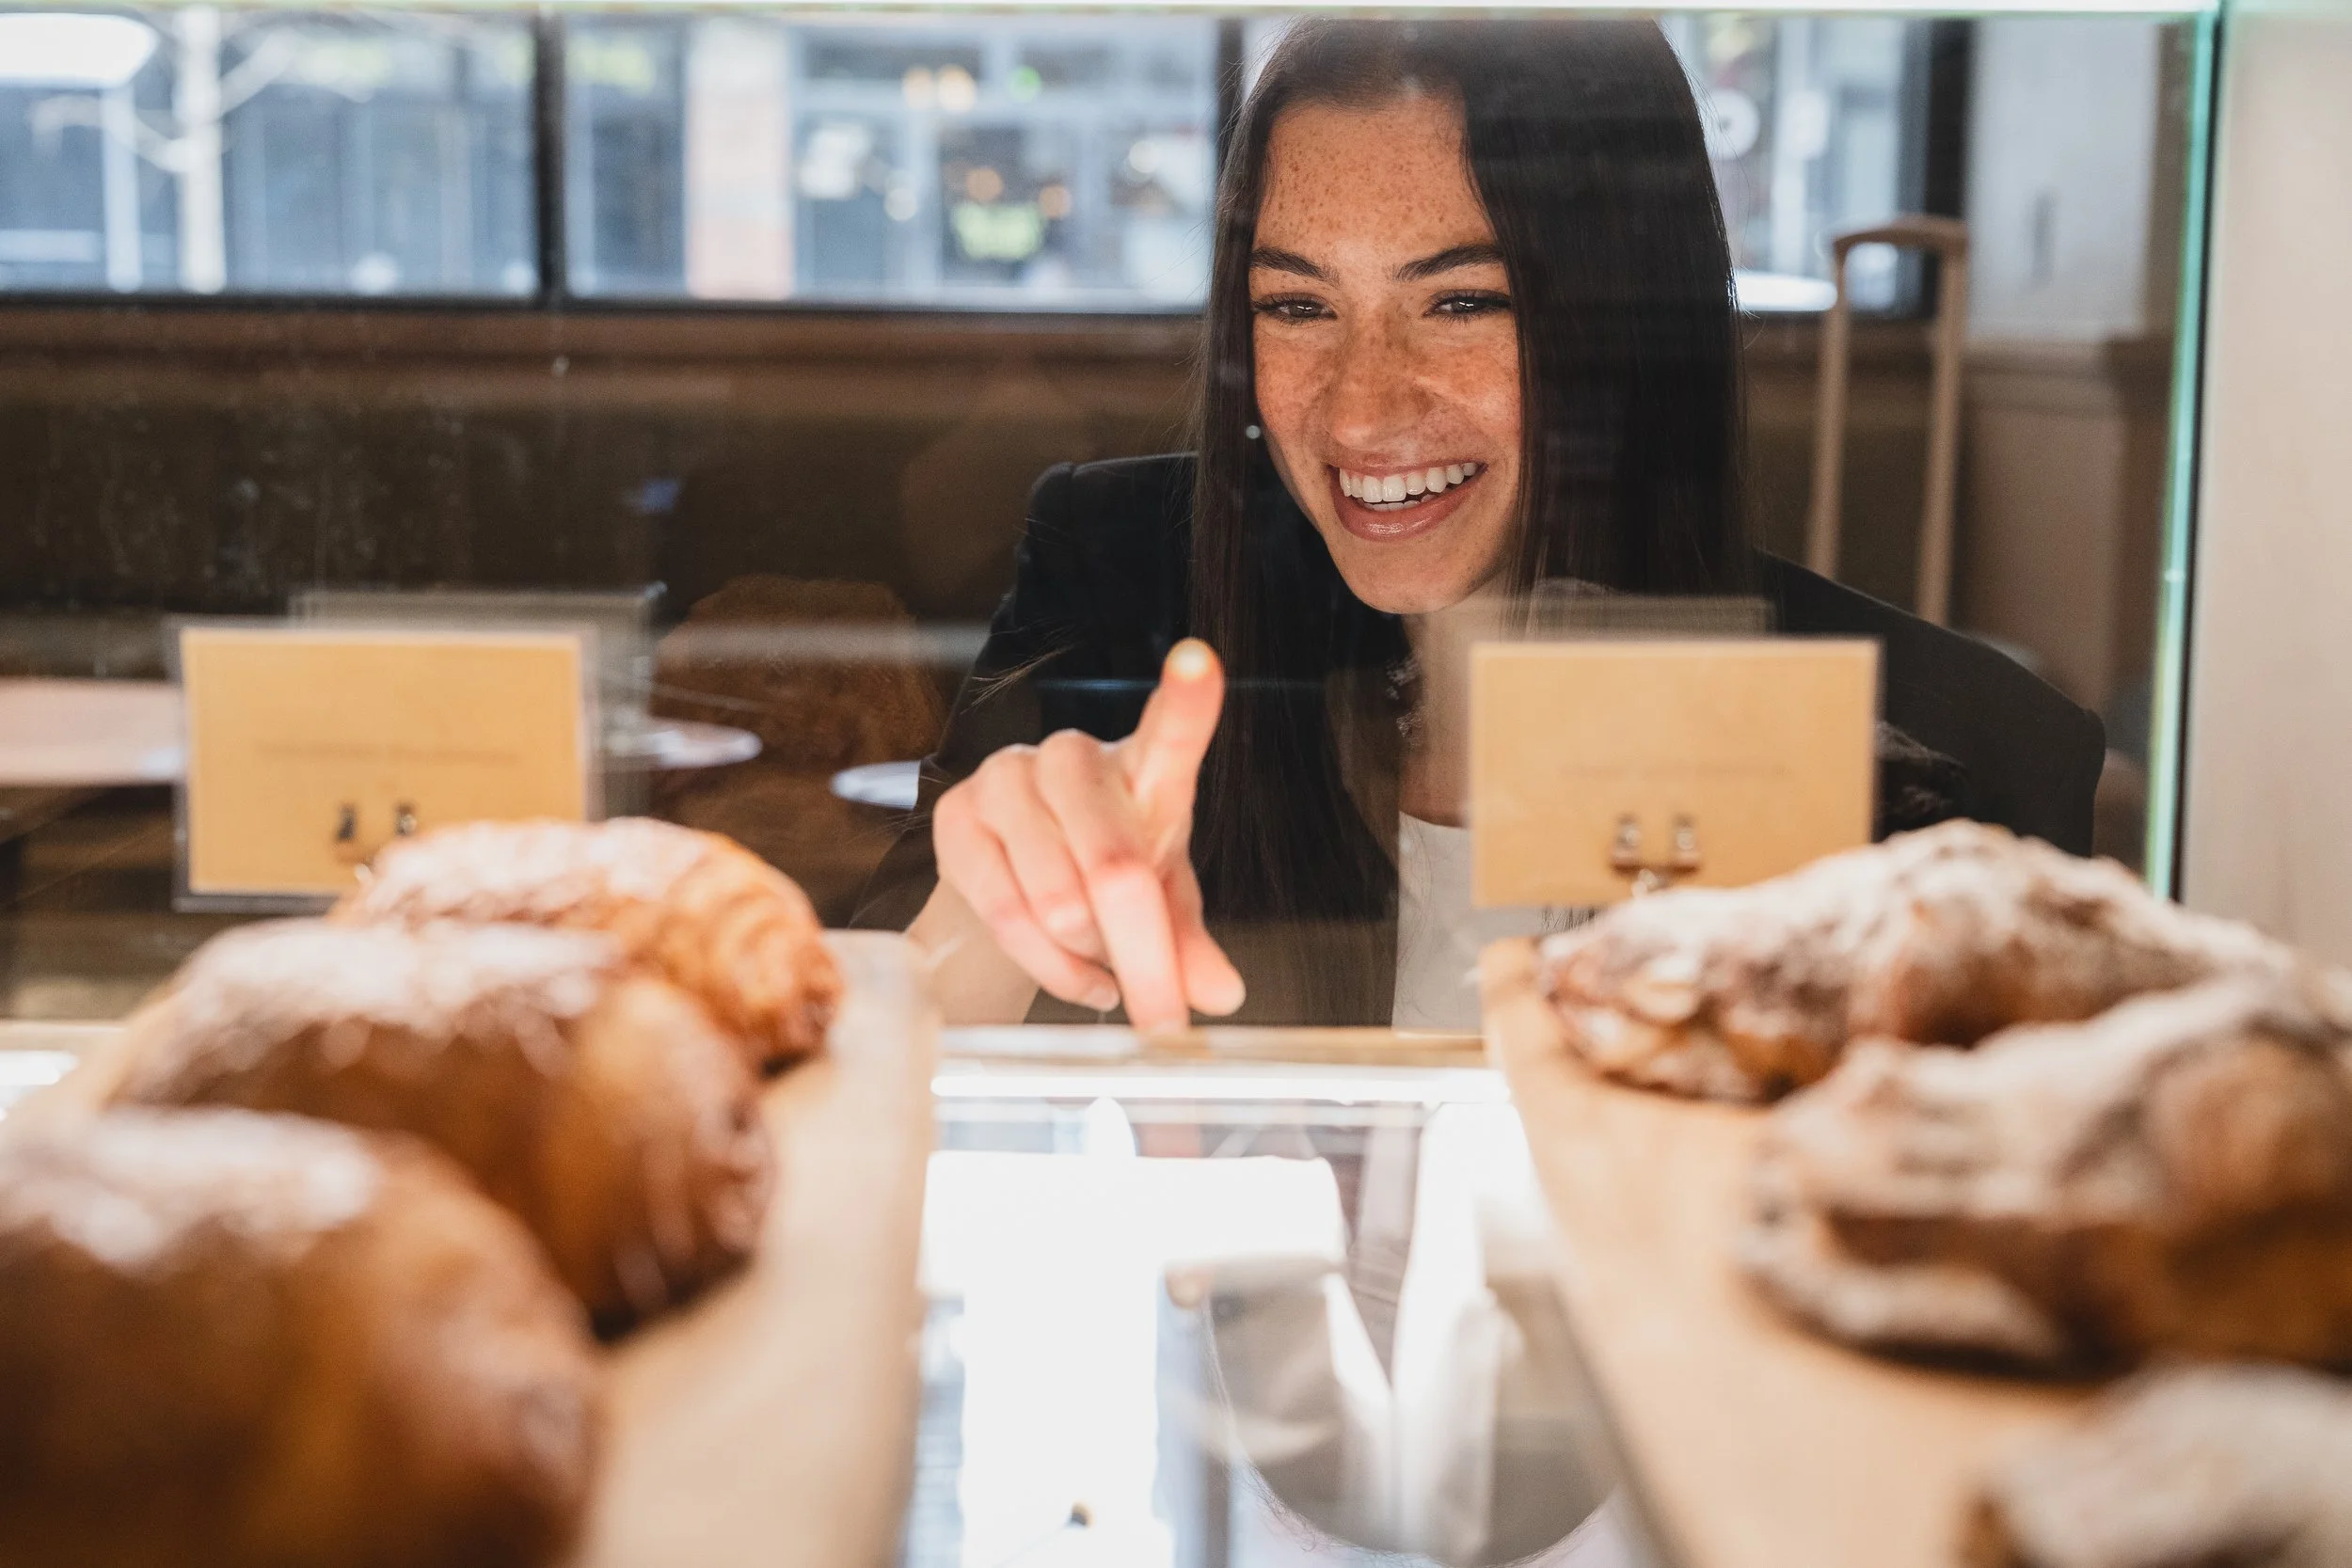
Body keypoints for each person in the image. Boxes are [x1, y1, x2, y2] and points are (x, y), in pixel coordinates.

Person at [856, 18, 2103, 1031]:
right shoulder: (1120, 581)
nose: (1362, 401)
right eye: (1296, 308)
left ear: (1627, 325)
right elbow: (850, 1082)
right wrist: (989, 916)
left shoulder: (1948, 751)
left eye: (1459, 301)